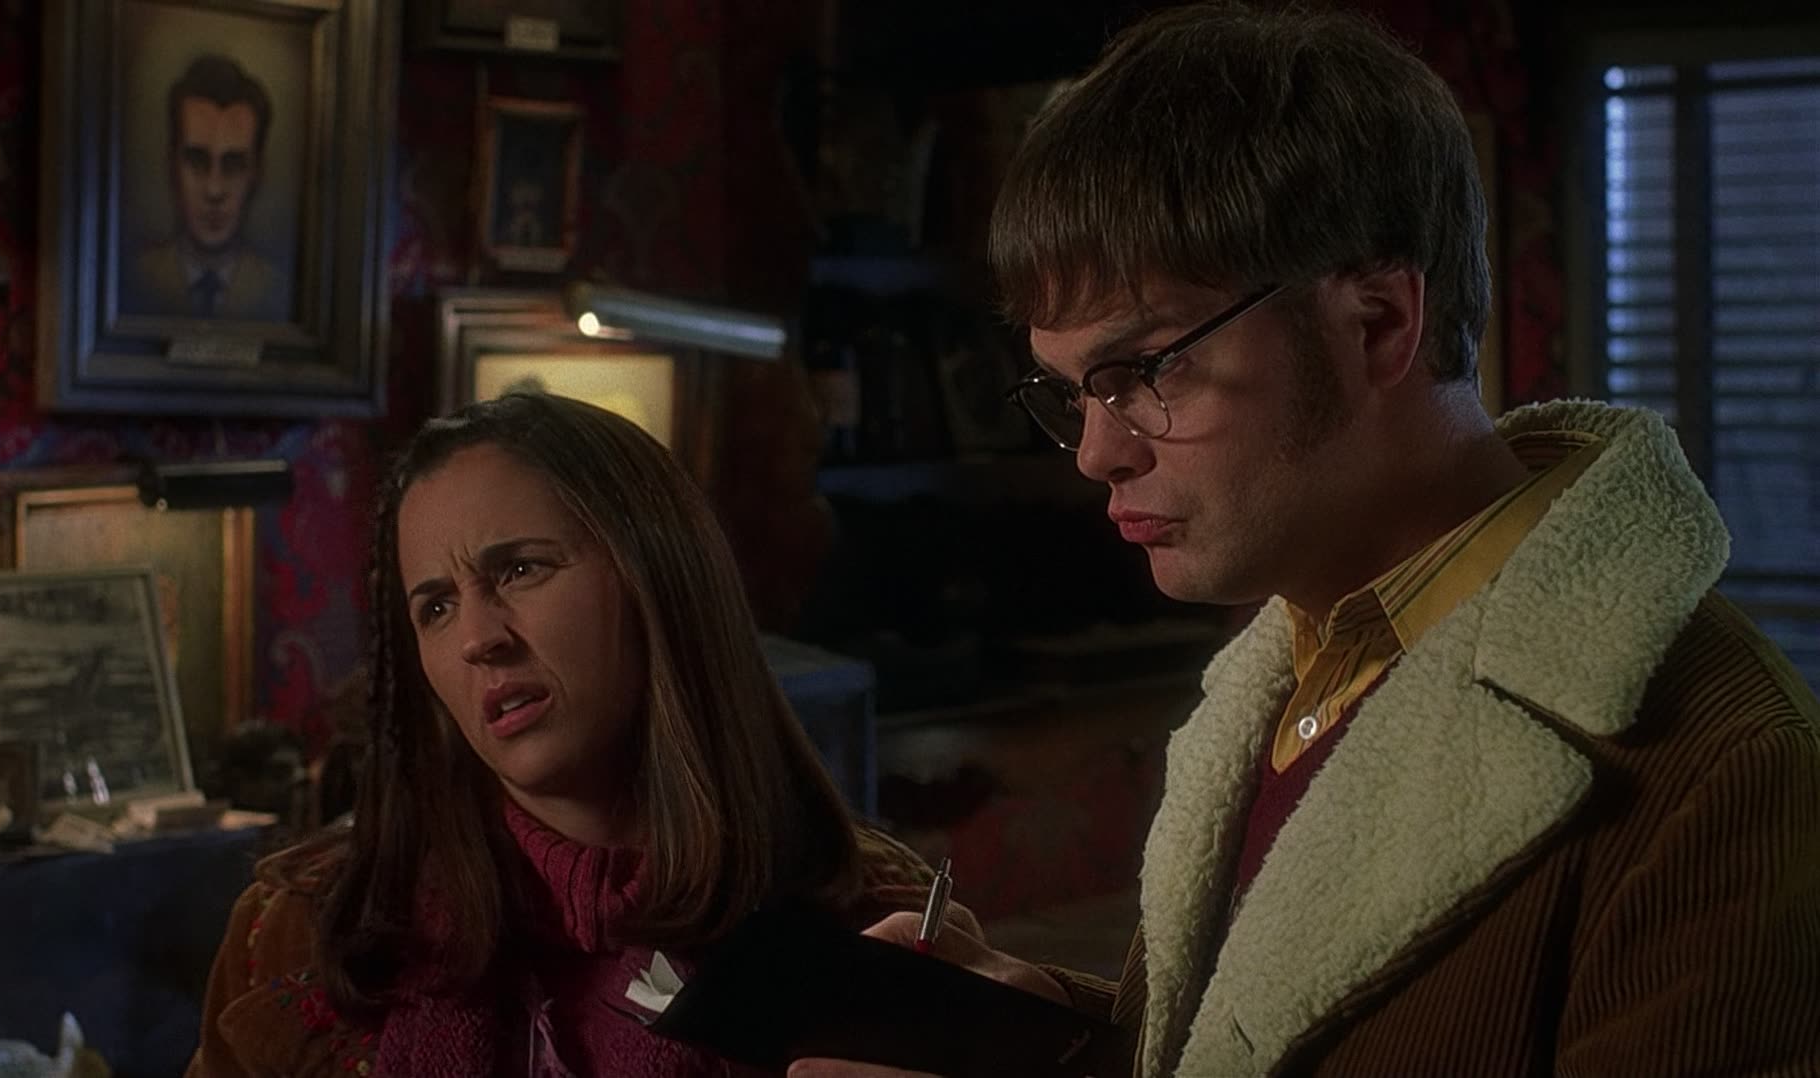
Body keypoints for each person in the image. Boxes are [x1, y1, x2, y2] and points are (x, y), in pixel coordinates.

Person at [793, 4, 1820, 1077]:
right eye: (1071, 391)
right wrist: (1046, 1033)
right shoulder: (1294, 664)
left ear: (1376, 323)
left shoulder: (1725, 768)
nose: (1095, 453)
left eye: (1146, 369)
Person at [190, 393, 959, 1076]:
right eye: (436, 607)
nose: (478, 639)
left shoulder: (873, 925)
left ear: (656, 575)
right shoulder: (307, 932)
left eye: (520, 570)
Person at [124, 54, 290, 322]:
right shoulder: (137, 278)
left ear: (257, 173)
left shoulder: (275, 289)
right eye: (197, 162)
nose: (214, 191)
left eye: (233, 165)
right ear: (172, 165)